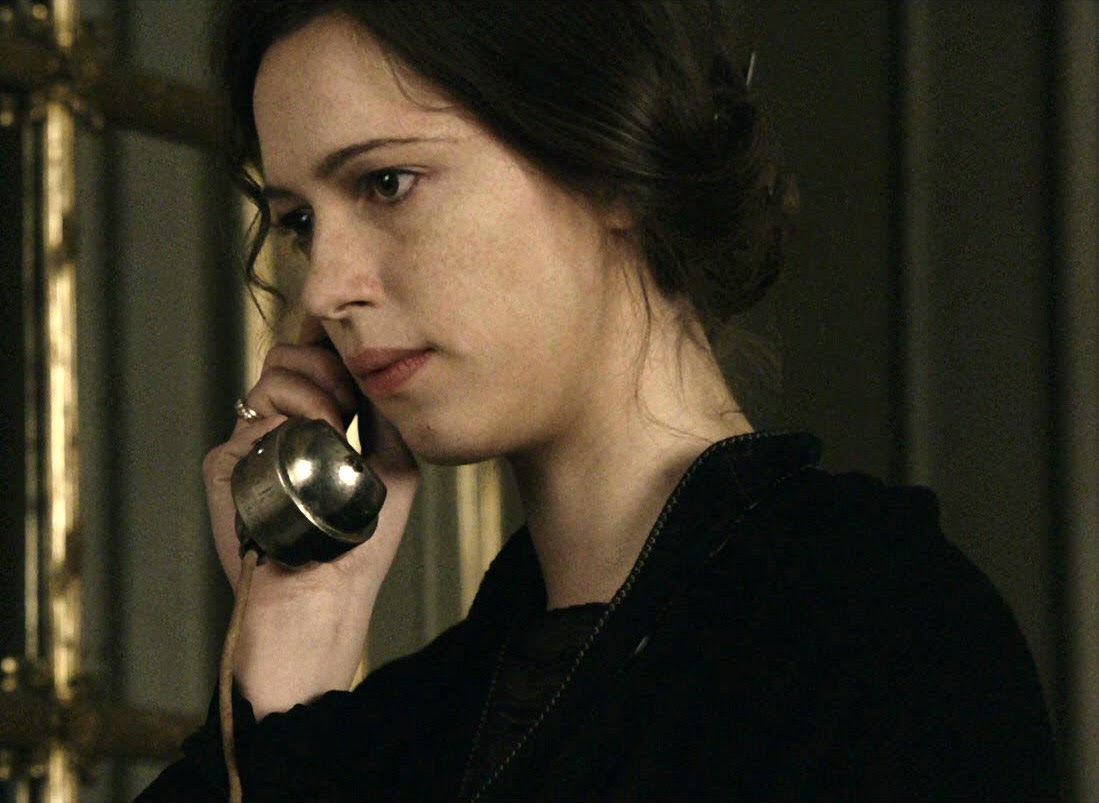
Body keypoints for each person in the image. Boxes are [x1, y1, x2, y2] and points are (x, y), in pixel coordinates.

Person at [137, 1, 1059, 800]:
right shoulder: (403, 727)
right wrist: (289, 661)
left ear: (609, 157)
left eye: (387, 184)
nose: (326, 286)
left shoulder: (882, 638)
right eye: (300, 222)